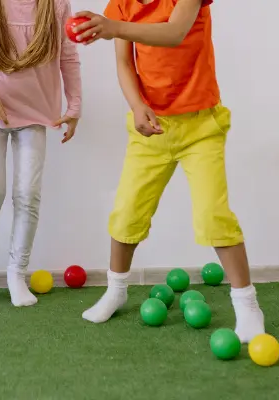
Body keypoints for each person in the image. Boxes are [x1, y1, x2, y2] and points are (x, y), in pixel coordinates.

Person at [72, 0, 266, 342]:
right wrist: (136, 106)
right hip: (152, 127)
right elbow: (124, 63)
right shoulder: (122, 4)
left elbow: (174, 33)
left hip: (201, 126)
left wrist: (112, 26)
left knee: (213, 215)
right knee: (127, 211)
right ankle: (116, 289)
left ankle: (247, 303)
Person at [0, 0, 82, 306]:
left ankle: (16, 273)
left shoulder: (56, 7)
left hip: (36, 114)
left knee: (28, 194)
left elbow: (69, 58)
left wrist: (74, 106)